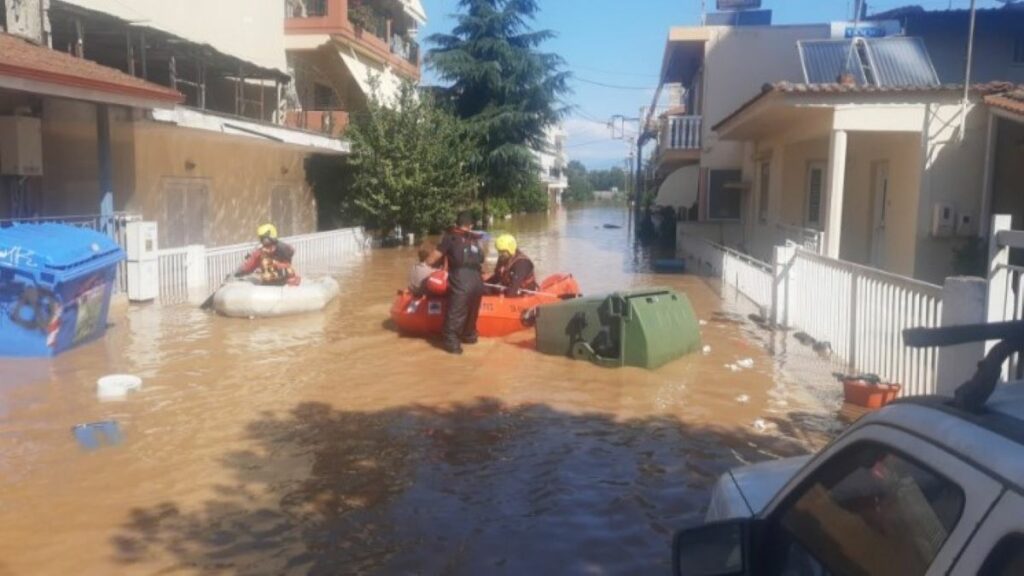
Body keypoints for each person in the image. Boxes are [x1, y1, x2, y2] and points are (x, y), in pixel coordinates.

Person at [427, 211, 484, 355]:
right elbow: (481, 259)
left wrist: (426, 265)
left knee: (455, 314)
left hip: (460, 279)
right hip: (478, 281)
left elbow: (432, 259)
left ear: (457, 224)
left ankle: (452, 347)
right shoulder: (475, 239)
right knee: (471, 313)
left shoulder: (450, 237)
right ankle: (470, 337)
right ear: (470, 225)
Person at [234, 223, 299, 286]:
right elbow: (248, 266)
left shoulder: (283, 249)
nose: (263, 241)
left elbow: (290, 252)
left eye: (264, 239)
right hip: (269, 286)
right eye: (262, 239)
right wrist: (239, 273)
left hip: (285, 283)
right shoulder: (259, 253)